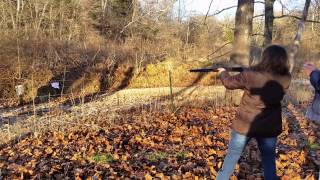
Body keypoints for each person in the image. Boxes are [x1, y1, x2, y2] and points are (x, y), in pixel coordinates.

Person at [216, 45, 292, 180]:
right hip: (269, 127)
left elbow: (228, 83)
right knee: (269, 161)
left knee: (232, 156)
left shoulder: (250, 74)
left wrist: (223, 72)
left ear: (265, 57)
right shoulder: (286, 78)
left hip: (245, 124)